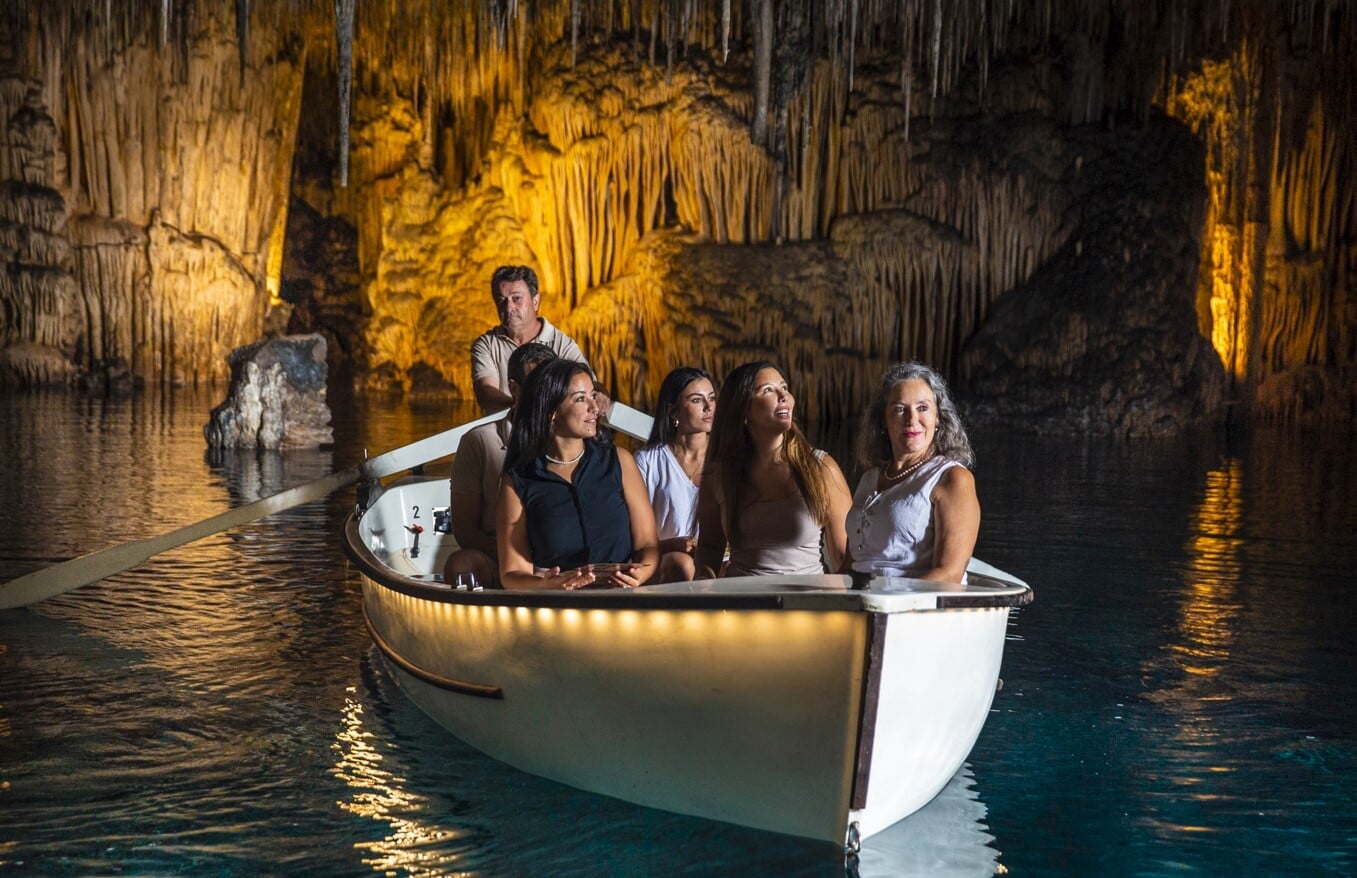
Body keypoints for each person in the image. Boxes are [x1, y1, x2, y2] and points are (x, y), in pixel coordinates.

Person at [496, 358, 659, 590]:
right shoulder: (519, 479)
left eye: (593, 395)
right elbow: (513, 573)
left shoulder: (620, 461)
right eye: (581, 399)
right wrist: (548, 586)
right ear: (552, 411)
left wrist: (640, 575)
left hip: (621, 600)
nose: (595, 408)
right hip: (559, 609)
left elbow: (648, 546)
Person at [695, 361, 852, 578]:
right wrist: (704, 593)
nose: (783, 396)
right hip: (741, 603)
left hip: (808, 602)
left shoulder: (821, 468)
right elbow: (709, 548)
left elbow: (845, 556)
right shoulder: (720, 474)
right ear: (743, 408)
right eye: (768, 390)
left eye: (784, 388)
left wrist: (835, 605)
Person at [844, 362, 980, 583]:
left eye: (923, 408)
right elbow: (852, 562)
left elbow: (949, 573)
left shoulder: (952, 478)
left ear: (938, 418)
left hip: (911, 609)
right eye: (899, 409)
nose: (912, 419)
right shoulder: (870, 479)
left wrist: (887, 605)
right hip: (858, 602)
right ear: (883, 421)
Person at [442, 342, 557, 588]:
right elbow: (465, 529)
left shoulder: (571, 440)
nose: (547, 397)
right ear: (514, 389)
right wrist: (521, 563)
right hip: (501, 554)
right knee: (461, 566)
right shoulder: (479, 442)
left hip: (560, 555)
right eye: (538, 388)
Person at [634, 366, 716, 582]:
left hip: (719, 559)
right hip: (666, 563)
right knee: (682, 563)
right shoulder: (648, 461)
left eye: (712, 398)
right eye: (697, 400)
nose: (709, 407)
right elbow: (632, 535)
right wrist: (673, 544)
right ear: (673, 411)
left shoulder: (727, 457)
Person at [470, 265, 589, 413]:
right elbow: (485, 392)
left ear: (535, 302)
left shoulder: (562, 344)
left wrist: (601, 394)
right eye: (501, 300)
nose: (508, 307)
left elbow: (589, 384)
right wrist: (518, 406)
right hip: (502, 435)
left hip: (548, 434)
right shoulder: (486, 344)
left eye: (517, 298)